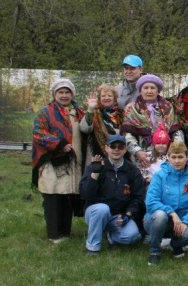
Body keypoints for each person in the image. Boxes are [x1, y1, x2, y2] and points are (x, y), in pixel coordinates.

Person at [32, 78, 86, 243]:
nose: (64, 95)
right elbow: (38, 133)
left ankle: (65, 232)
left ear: (72, 94)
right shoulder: (45, 112)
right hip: (52, 161)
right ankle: (54, 234)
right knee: (53, 194)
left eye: (67, 92)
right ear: (54, 94)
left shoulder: (79, 112)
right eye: (60, 92)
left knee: (67, 195)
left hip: (73, 162)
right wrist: (60, 144)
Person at [79, 134, 145, 255]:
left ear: (125, 149)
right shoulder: (96, 166)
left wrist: (128, 214)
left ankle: (110, 236)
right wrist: (95, 174)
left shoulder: (132, 170)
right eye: (113, 146)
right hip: (96, 212)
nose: (116, 150)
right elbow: (85, 194)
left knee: (133, 236)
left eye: (120, 147)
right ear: (106, 148)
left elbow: (138, 197)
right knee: (102, 209)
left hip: (119, 216)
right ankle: (92, 247)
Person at [144, 140, 188, 265]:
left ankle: (176, 244)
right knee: (161, 215)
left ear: (187, 157)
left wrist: (186, 221)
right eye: (174, 157)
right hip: (156, 220)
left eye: (180, 157)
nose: (177, 161)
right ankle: (155, 251)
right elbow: (151, 201)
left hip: (181, 220)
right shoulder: (159, 176)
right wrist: (171, 212)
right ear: (168, 157)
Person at [120, 73, 182, 172]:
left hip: (167, 155)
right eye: (145, 88)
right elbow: (128, 135)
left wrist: (175, 151)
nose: (149, 91)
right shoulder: (133, 109)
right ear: (140, 90)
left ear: (158, 90)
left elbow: (176, 131)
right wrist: (138, 152)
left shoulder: (167, 106)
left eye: (152, 88)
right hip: (143, 156)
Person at [80, 84, 123, 161]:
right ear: (99, 98)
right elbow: (85, 129)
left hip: (119, 154)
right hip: (98, 157)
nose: (106, 98)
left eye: (109, 96)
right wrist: (90, 109)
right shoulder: (93, 112)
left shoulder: (121, 114)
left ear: (114, 98)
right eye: (103, 96)